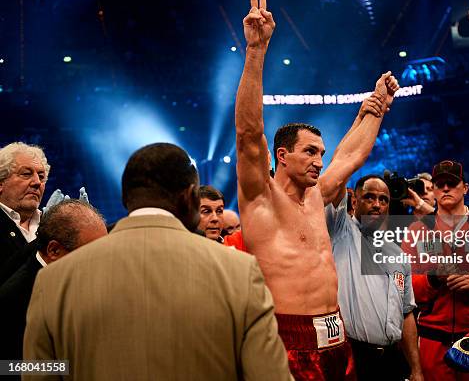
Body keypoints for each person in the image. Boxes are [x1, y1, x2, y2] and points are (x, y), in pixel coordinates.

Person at [235, 0, 398, 380]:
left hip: (335, 333)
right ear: (282, 155)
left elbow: (352, 155)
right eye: (310, 152)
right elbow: (248, 133)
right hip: (286, 335)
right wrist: (256, 51)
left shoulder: (318, 195)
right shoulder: (261, 197)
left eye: (321, 153)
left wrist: (376, 110)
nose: (319, 160)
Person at [23, 143, 291, 380]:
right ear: (190, 197)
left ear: (127, 199)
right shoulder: (240, 272)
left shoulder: (54, 279)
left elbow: (38, 374)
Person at [404, 160, 469, 381]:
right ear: (433, 188)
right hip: (432, 339)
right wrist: (433, 279)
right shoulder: (416, 230)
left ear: (466, 188)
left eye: (452, 183)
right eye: (440, 184)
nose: (445, 188)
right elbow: (403, 288)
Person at [326, 175, 423, 381]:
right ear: (354, 201)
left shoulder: (399, 256)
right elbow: (337, 178)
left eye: (383, 200)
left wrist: (416, 368)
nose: (377, 205)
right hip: (352, 357)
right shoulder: (341, 232)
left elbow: (407, 314)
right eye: (369, 198)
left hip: (391, 360)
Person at [0, 199, 107, 360]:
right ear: (54, 250)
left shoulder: (80, 282)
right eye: (91, 254)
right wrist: (70, 368)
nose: (98, 264)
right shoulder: (13, 300)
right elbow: (8, 368)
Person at [0, 142, 50, 284]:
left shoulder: (49, 222)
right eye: (26, 174)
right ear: (0, 183)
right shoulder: (49, 229)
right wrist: (46, 236)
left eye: (41, 177)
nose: (37, 182)